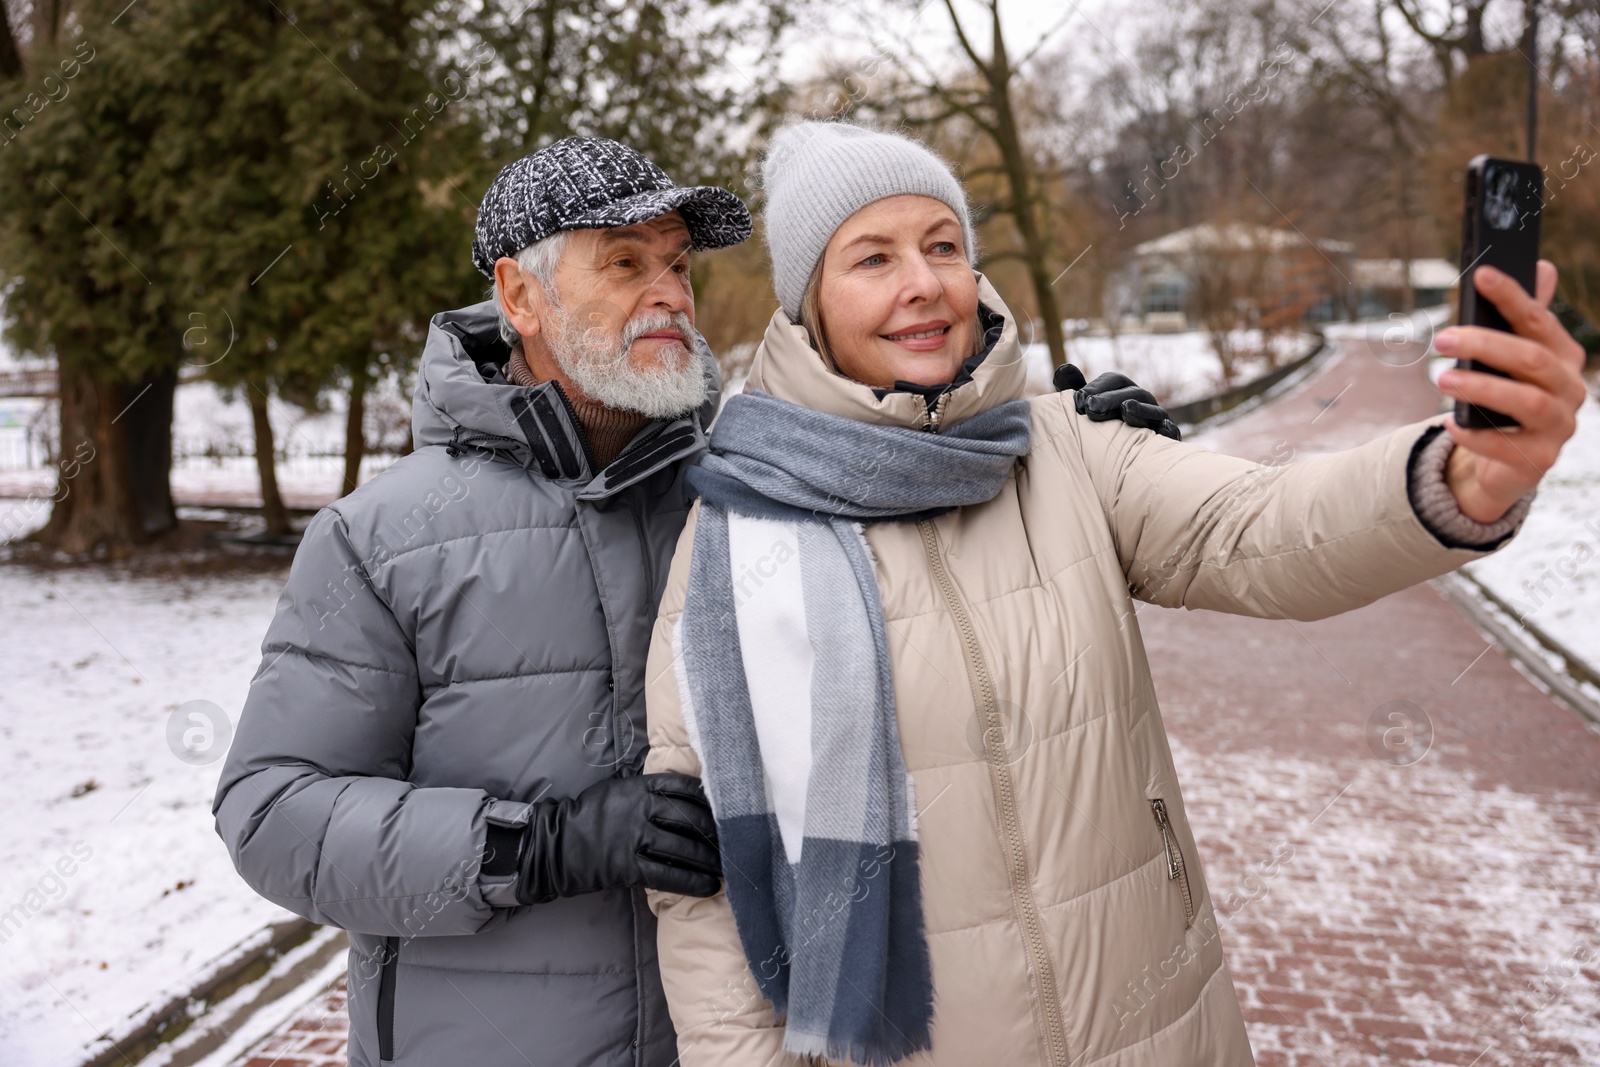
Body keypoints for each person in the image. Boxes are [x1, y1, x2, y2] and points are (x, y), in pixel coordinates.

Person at [641, 121, 1587, 1066]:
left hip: (1156, 1026)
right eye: (872, 257)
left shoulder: (1070, 447)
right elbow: (709, 903)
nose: (923, 282)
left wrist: (1462, 476)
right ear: (809, 303)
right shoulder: (736, 539)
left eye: (943, 245)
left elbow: (1259, 525)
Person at [214, 137, 753, 1067]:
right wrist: (536, 846)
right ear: (519, 297)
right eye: (625, 262)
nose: (669, 293)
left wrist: (1075, 453)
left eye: (676, 265)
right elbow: (272, 813)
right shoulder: (380, 536)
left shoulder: (747, 497)